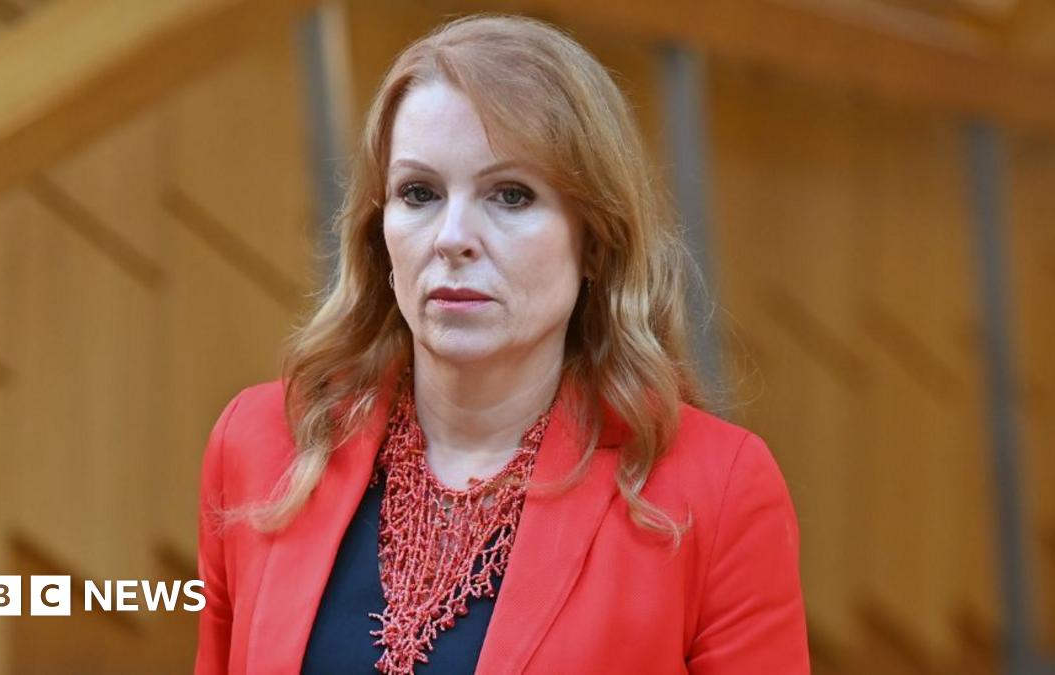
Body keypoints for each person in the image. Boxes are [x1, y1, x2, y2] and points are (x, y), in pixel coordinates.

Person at [194, 13, 808, 675]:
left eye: (510, 195)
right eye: (419, 192)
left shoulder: (716, 490)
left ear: (595, 242)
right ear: (380, 231)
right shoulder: (260, 446)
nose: (452, 236)